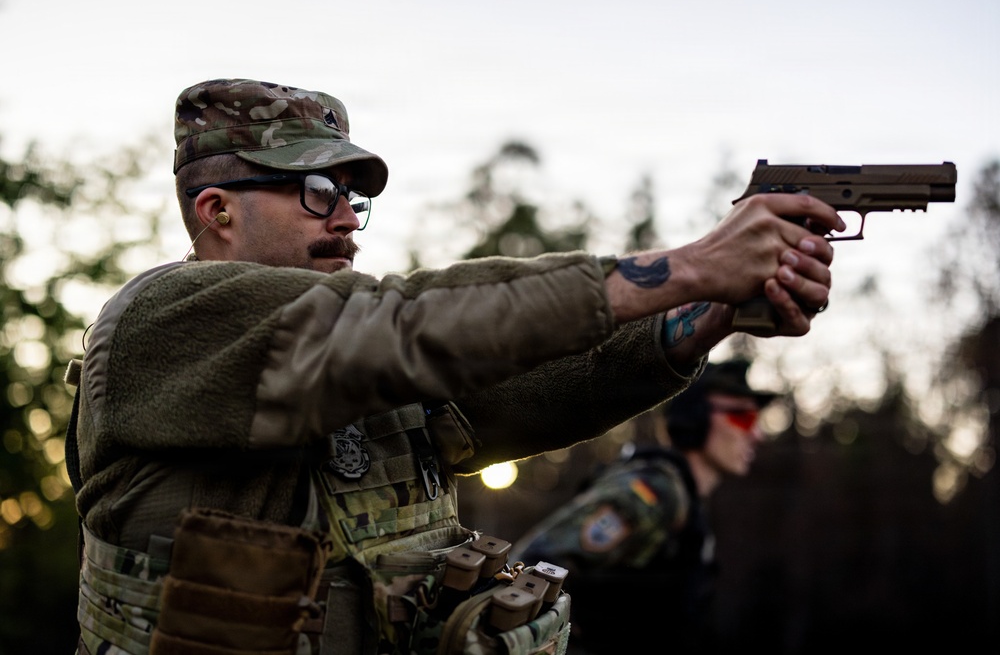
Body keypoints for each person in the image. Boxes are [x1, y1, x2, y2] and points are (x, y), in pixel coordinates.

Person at [64, 78, 842, 655]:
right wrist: (689, 268)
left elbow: (510, 392)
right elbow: (412, 321)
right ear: (217, 210)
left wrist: (690, 323)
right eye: (314, 190)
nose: (344, 216)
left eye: (351, 197)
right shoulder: (165, 322)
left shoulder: (348, 356)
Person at [509, 358, 779, 654]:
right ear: (696, 416)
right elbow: (532, 567)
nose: (757, 434)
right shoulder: (653, 493)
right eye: (743, 418)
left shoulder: (687, 506)